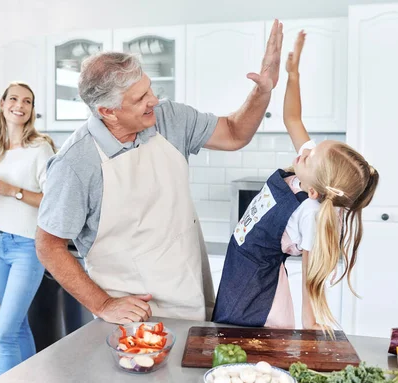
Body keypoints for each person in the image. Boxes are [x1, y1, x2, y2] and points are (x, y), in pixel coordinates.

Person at [35, 20, 285, 324]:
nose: (153, 100)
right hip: (135, 318)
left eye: (149, 88)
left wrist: (262, 93)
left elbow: (234, 133)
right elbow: (48, 245)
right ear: (107, 112)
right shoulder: (75, 164)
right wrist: (102, 304)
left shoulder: (169, 119)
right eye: (140, 98)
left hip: (191, 296)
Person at [212, 31, 379, 332]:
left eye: (312, 154)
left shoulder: (311, 213)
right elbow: (293, 119)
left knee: (252, 348)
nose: (307, 150)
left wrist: (310, 329)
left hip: (259, 291)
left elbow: (310, 282)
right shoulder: (309, 174)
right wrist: (293, 74)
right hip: (239, 268)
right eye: (313, 147)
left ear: (315, 190)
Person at [0, 82, 56, 375]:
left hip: (27, 246)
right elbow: (3, 202)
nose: (19, 105)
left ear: (32, 110)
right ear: (2, 104)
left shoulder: (40, 147)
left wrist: (11, 190)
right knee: (18, 326)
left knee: (4, 334)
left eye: (27, 101)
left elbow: (52, 200)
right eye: (13, 99)